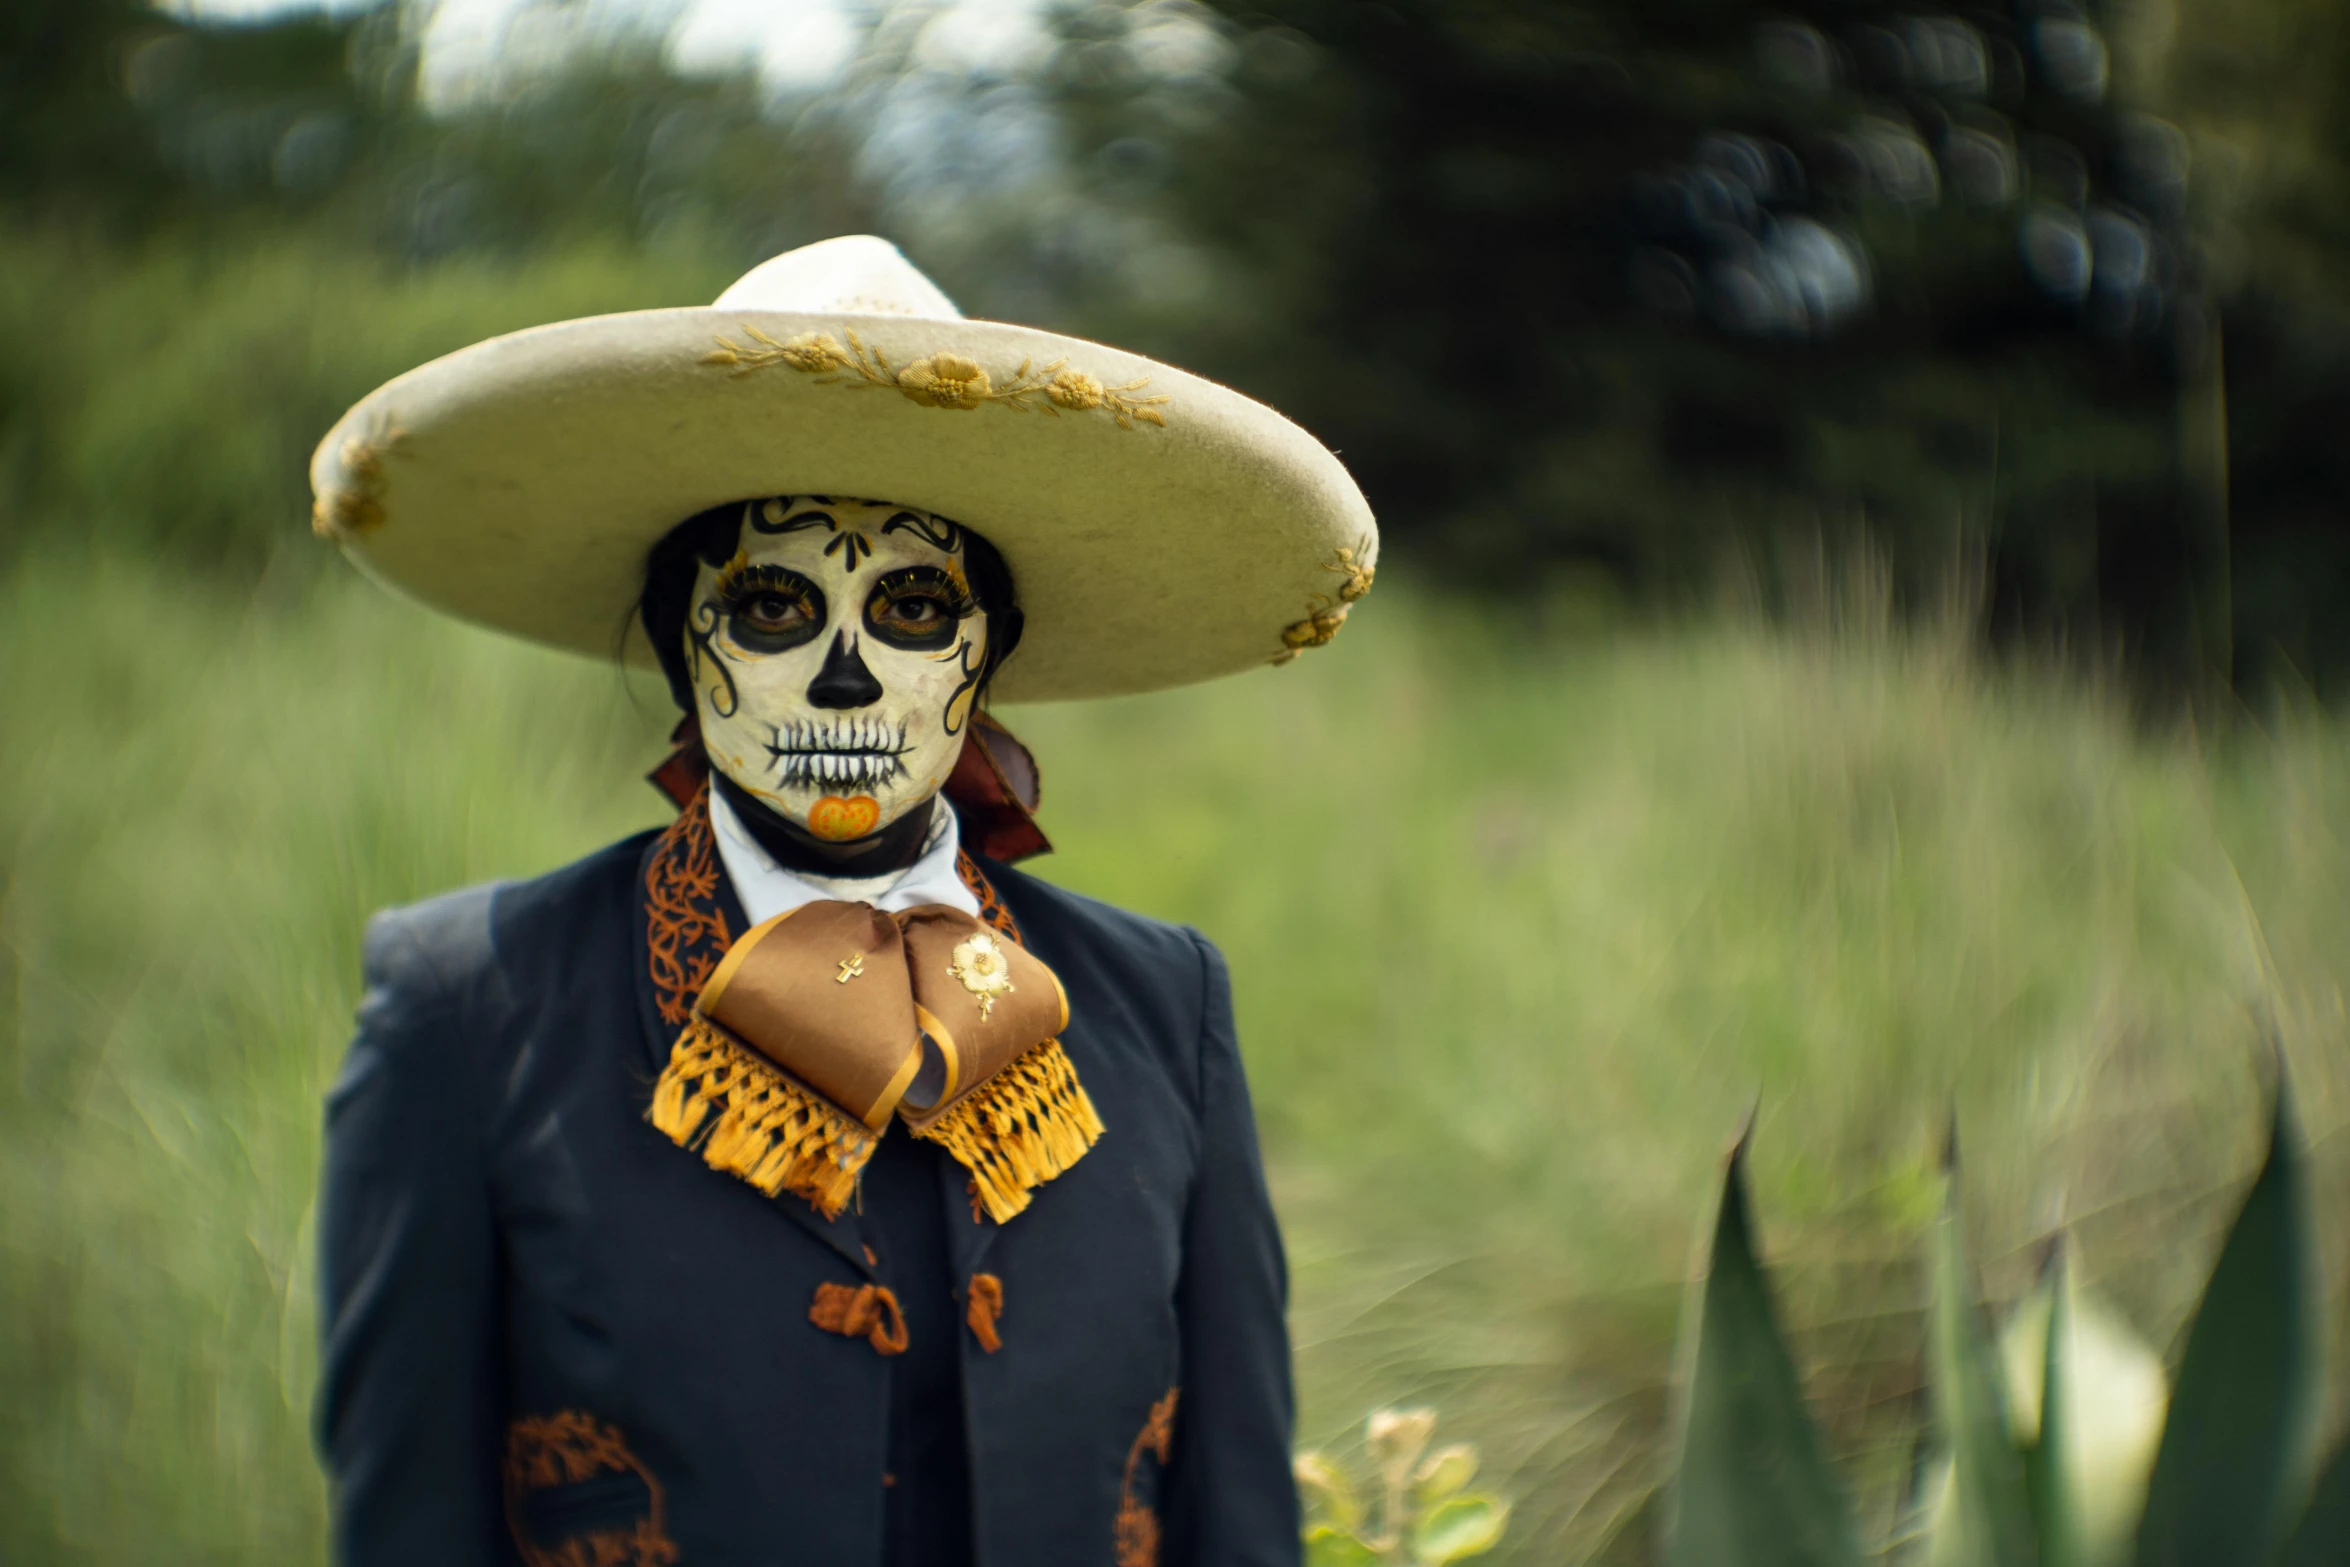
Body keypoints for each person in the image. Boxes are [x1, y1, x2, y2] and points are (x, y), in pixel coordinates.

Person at [309, 235, 1377, 1567]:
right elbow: (409, 1519)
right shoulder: (471, 1007)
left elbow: (1235, 1521)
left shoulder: (1164, 1006)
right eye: (770, 604)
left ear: (987, 653)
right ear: (675, 642)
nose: (846, 680)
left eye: (914, 607)